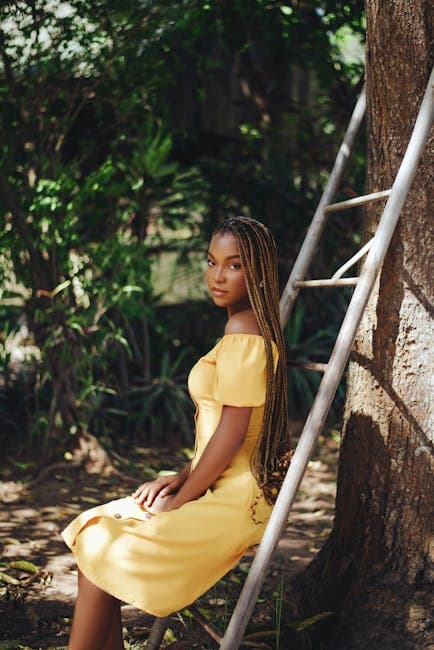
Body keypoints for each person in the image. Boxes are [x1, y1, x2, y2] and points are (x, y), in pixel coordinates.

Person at [62, 216, 291, 650]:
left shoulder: (243, 330)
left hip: (234, 498)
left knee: (100, 544)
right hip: (217, 482)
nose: (217, 275)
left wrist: (179, 500)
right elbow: (221, 435)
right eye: (211, 261)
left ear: (257, 272)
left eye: (234, 265)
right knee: (95, 540)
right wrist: (180, 476)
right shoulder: (245, 328)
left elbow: (232, 433)